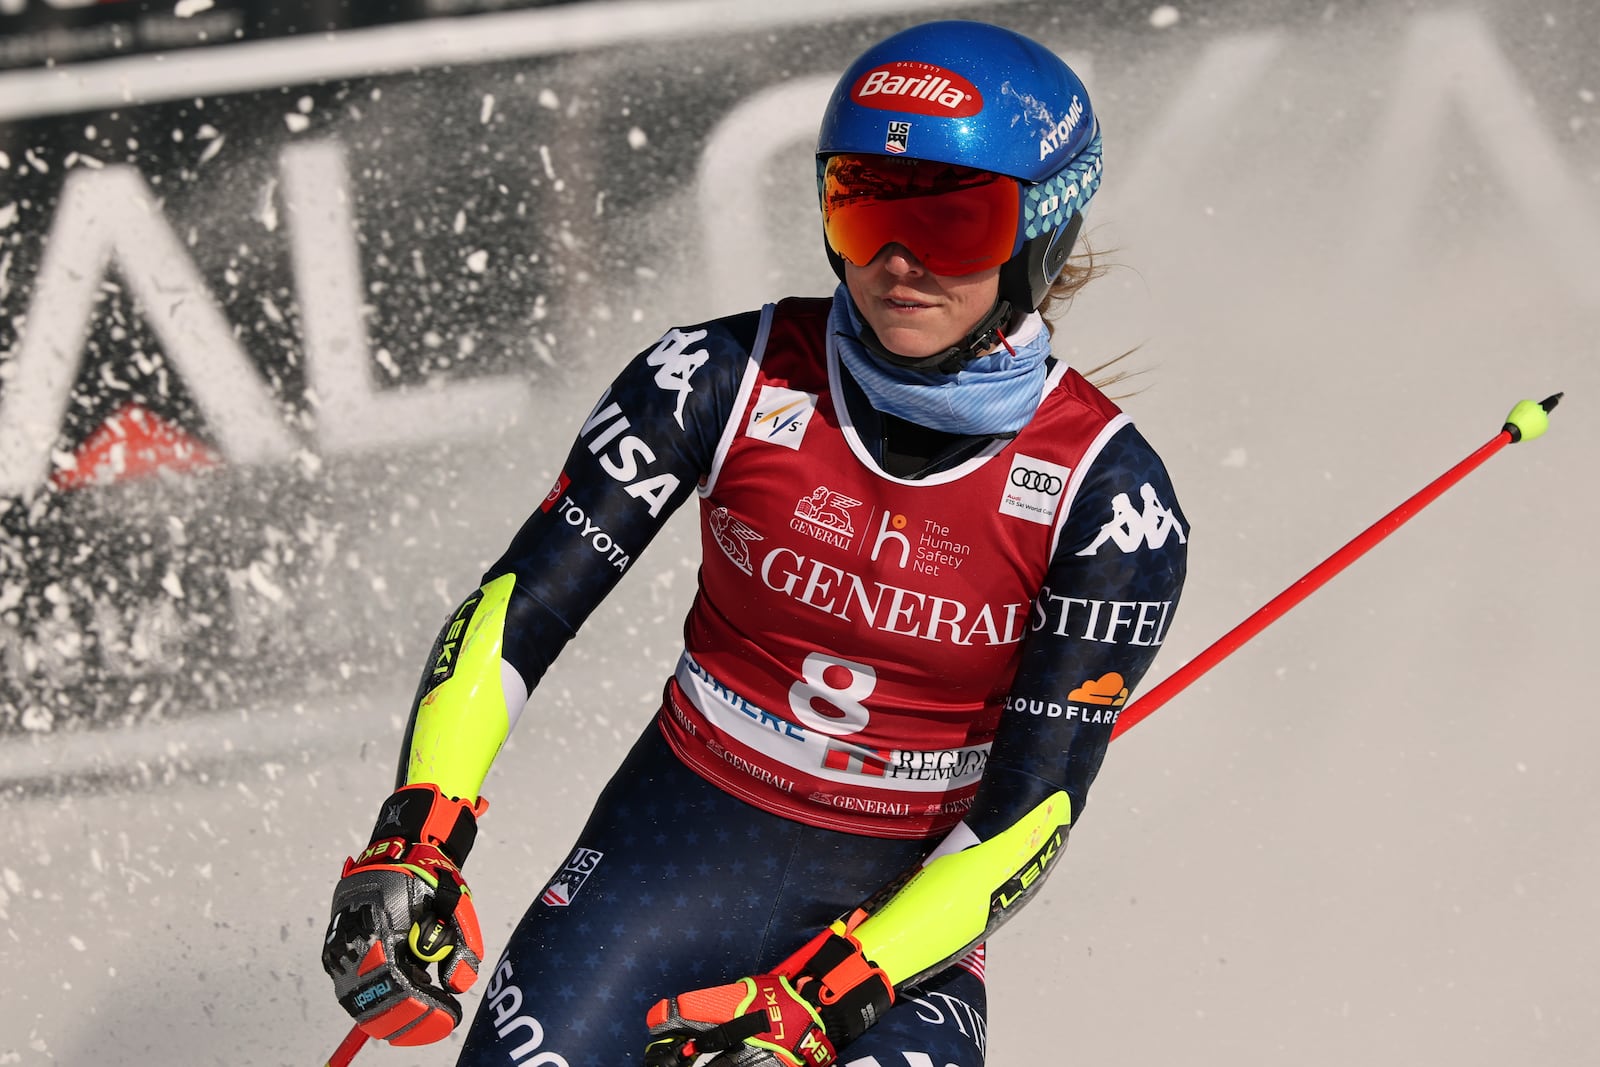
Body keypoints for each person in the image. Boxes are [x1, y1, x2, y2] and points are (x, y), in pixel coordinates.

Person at [320, 18, 1187, 1067]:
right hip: (656, 868)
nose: (902, 263)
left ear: (1040, 229)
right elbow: (522, 607)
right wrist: (421, 827)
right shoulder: (717, 376)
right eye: (864, 209)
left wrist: (826, 996)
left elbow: (1027, 819)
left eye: (954, 223)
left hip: (893, 936)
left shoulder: (1111, 499)